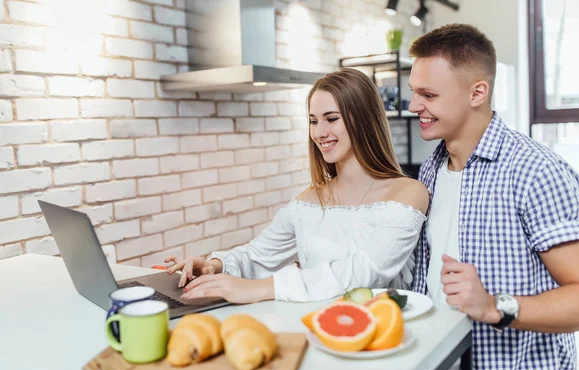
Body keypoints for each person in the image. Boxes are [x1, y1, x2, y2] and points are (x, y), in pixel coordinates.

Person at [408, 23, 579, 370]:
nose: (414, 105)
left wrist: (496, 305)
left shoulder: (537, 172)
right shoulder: (432, 168)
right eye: (414, 93)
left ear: (477, 92)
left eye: (428, 95)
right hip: (441, 368)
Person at [165, 67, 429, 304]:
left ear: (363, 120)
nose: (319, 132)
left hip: (387, 340)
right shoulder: (307, 202)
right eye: (314, 121)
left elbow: (365, 272)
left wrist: (259, 289)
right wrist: (214, 266)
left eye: (331, 118)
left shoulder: (408, 194)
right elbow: (258, 255)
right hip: (318, 330)